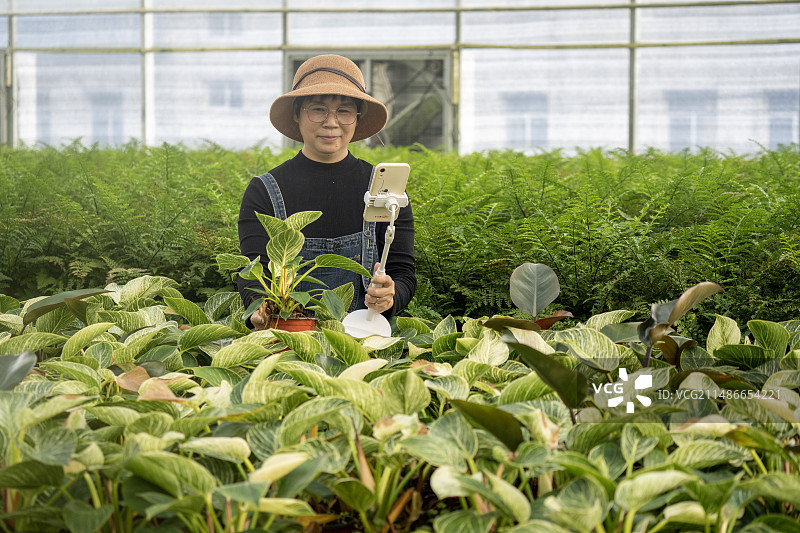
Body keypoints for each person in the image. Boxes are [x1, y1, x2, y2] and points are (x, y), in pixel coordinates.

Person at [237, 54, 416, 329]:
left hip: (364, 341)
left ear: (357, 118)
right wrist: (259, 309)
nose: (331, 122)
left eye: (344, 111)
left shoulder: (386, 190)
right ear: (297, 113)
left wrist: (391, 296)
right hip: (290, 340)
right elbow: (253, 270)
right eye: (318, 109)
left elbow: (403, 272)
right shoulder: (265, 191)